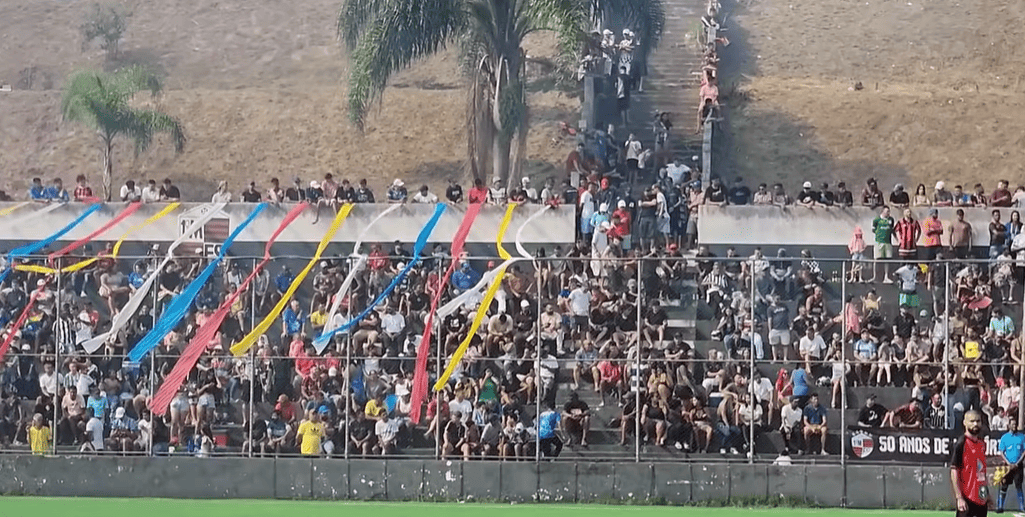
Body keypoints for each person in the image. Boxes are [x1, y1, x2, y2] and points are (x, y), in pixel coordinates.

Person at [951, 410, 990, 516]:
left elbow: (981, 472)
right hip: (967, 499)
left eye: (978, 421)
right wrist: (959, 498)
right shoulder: (961, 443)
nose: (975, 424)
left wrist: (987, 495)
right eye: (972, 421)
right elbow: (954, 470)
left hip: (981, 499)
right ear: (965, 423)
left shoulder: (982, 444)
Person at [997, 416, 1025, 513]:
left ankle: (1022, 507)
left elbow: (1024, 452)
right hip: (1007, 466)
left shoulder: (1022, 437)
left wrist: (1018, 463)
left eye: (1015, 425)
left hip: (1018, 466)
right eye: (1012, 425)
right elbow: (1001, 452)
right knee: (1004, 486)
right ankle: (1000, 506)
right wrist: (1008, 463)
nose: (1014, 426)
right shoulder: (1005, 438)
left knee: (1019, 486)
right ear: (1009, 426)